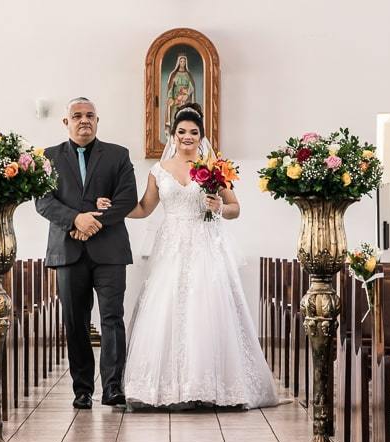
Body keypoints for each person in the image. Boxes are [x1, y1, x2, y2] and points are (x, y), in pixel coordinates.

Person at [97, 103, 278, 409]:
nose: (187, 136)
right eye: (181, 131)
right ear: (173, 135)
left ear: (201, 136)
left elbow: (235, 208)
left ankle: (209, 386)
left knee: (206, 309)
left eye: (194, 132)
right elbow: (143, 208)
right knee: (167, 308)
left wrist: (219, 207)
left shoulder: (215, 169)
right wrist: (113, 207)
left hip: (205, 246)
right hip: (171, 246)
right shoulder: (159, 171)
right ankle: (168, 387)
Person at [35, 97, 138, 410]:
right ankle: (82, 390)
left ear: (97, 120)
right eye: (77, 115)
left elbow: (127, 199)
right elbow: (43, 201)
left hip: (110, 251)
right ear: (66, 122)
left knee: (112, 318)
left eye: (90, 115)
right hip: (68, 251)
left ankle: (113, 388)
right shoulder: (48, 157)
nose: (84, 120)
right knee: (75, 322)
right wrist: (75, 220)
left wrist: (92, 222)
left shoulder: (118, 155)